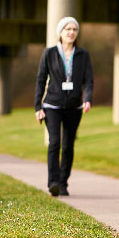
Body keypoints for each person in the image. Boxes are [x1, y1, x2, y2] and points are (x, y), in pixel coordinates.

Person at [34, 16, 93, 197]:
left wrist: (87, 98)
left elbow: (88, 79)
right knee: (55, 143)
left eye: (74, 29)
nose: (71, 32)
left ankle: (63, 182)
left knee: (68, 146)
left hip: (74, 107)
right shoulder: (49, 53)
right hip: (52, 105)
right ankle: (53, 182)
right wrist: (38, 106)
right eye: (68, 29)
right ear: (60, 33)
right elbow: (41, 80)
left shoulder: (83, 55)